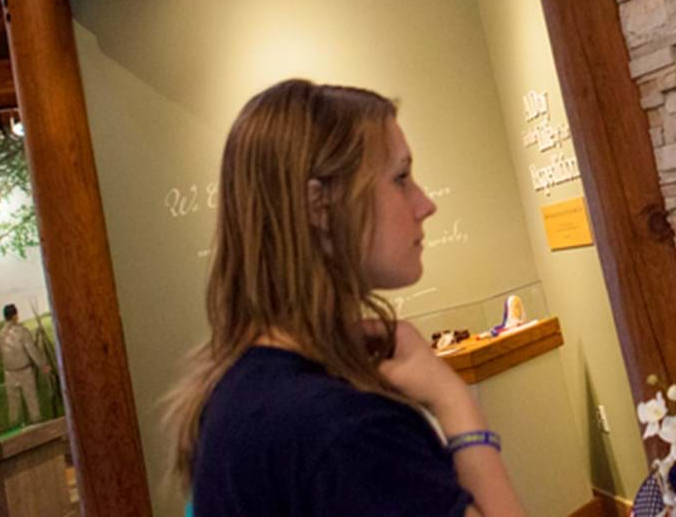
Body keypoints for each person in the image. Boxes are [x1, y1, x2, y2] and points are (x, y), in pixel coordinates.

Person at [164, 79, 527, 517]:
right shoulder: (347, 434)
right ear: (320, 207)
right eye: (401, 178)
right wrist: (456, 404)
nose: (425, 204)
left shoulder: (236, 392)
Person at [0, 303, 49, 426]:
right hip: (23, 372)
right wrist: (43, 365)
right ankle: (36, 428)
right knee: (32, 402)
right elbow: (32, 351)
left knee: (14, 406)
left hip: (10, 373)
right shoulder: (21, 332)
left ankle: (16, 428)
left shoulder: (0, 334)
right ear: (15, 316)